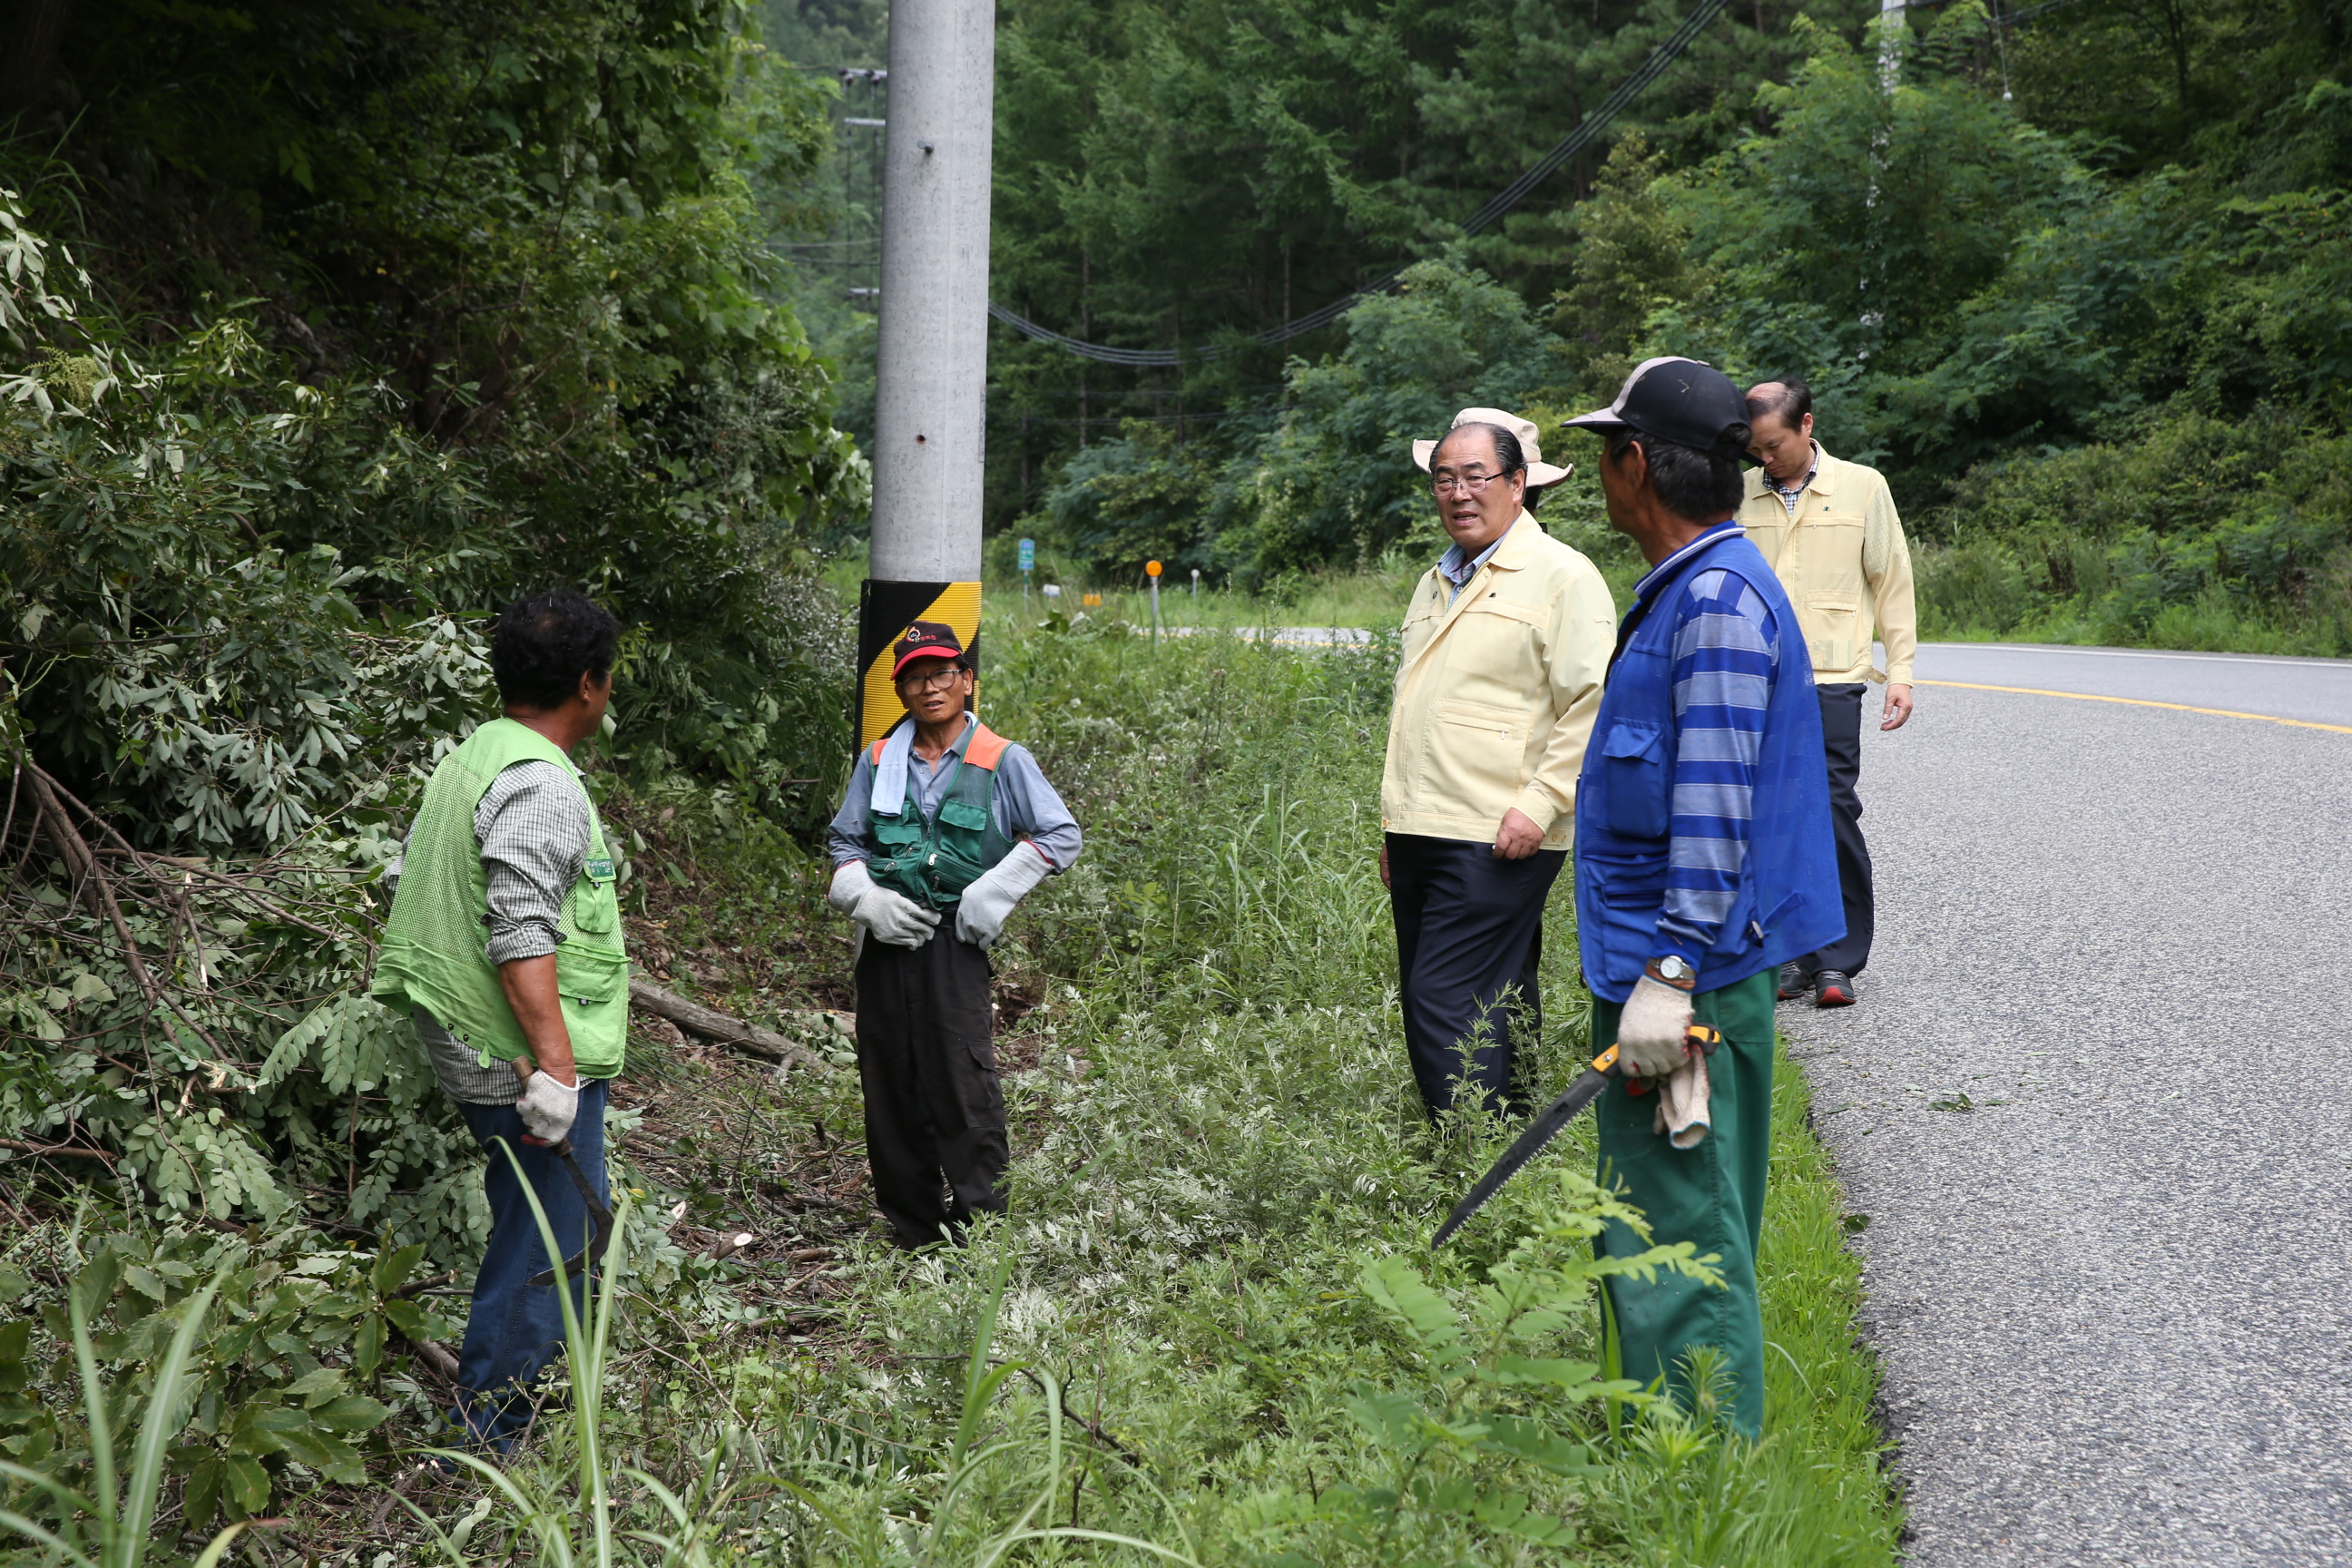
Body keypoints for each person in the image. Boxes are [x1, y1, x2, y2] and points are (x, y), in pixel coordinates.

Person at [1561, 358, 1842, 1437]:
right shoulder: (1694, 588)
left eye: (1604, 452)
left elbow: (1716, 806)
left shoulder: (1715, 604)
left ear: (1636, 465)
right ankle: (1663, 1436)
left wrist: (1671, 975)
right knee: (1658, 1224)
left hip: (1686, 989)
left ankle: (1700, 1469)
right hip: (1667, 974)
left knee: (1680, 1236)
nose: (1599, 472)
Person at [370, 587, 630, 1451]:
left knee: (544, 1232)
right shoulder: (540, 784)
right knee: (542, 1248)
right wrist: (555, 1070)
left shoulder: (478, 752)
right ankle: (489, 1438)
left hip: (489, 1046)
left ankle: (551, 1400)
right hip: (520, 1063)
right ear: (588, 685)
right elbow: (520, 934)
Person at [1380, 407, 1616, 1117]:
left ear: (1517, 484)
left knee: (1442, 997)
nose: (1457, 493)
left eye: (1475, 477)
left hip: (1499, 826)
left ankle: (1467, 1159)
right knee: (1500, 988)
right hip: (1424, 824)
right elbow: (1417, 708)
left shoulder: (1562, 576)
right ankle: (1513, 1137)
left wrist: (1541, 803)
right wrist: (1395, 825)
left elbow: (1593, 702)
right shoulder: (1436, 579)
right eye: (1443, 479)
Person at [825, 622, 1081, 1250]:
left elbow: (1059, 834)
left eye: (942, 673)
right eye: (915, 676)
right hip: (886, 941)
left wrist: (993, 892)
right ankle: (914, 1231)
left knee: (962, 1082)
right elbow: (844, 841)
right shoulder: (879, 759)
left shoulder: (1002, 757)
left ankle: (984, 1231)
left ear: (967, 680)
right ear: (901, 690)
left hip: (955, 942)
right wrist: (866, 897)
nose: (929, 686)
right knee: (889, 1083)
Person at [1736, 378, 1917, 1008]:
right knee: (1770, 815)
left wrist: (1901, 669)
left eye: (1776, 445)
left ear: (1807, 425)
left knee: (1833, 807)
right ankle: (1787, 954)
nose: (1766, 459)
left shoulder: (1862, 486)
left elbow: (1891, 579)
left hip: (1832, 676)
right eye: (1755, 449)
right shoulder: (1741, 495)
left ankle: (1837, 961)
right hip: (1757, 678)